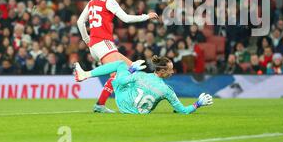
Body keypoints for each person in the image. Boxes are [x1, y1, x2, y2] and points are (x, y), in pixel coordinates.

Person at [77, 0, 159, 113]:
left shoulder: (92, 0)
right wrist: (147, 16)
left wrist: (87, 40)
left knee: (131, 67)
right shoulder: (109, 0)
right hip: (104, 43)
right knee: (118, 75)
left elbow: (80, 22)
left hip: (96, 45)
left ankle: (101, 104)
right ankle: (92, 84)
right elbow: (126, 19)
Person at [74, 55, 213, 114]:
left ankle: (85, 75)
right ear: (163, 71)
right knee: (119, 73)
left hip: (123, 104)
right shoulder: (167, 90)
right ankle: (99, 104)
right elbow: (183, 110)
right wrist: (197, 104)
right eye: (170, 70)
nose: (172, 72)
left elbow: (120, 81)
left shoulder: (141, 76)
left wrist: (131, 70)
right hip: (140, 113)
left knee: (119, 66)